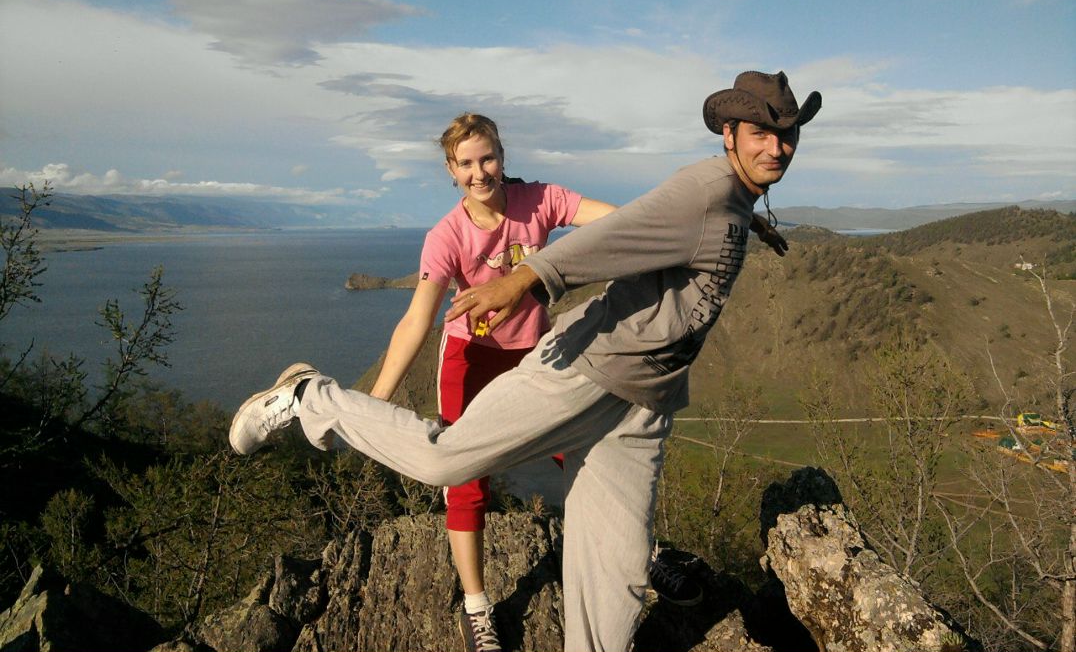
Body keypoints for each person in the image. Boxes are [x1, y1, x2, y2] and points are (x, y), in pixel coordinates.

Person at [229, 70, 819, 652]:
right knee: (446, 462)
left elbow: (629, 220)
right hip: (576, 369)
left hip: (641, 402)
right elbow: (615, 236)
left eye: (786, 134)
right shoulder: (702, 189)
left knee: (618, 574)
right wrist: (525, 280)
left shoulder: (722, 200)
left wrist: (744, 217)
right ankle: (310, 395)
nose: (776, 147)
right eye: (761, 133)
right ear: (729, 134)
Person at [364, 112, 614, 651]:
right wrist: (376, 401)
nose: (479, 173)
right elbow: (417, 319)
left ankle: (638, 554)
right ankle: (477, 609)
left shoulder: (540, 200)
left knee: (586, 454)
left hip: (536, 354)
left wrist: (685, 223)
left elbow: (614, 221)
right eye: (466, 164)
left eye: (488, 159)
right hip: (470, 358)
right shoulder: (446, 236)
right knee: (465, 477)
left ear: (502, 157)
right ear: (450, 170)